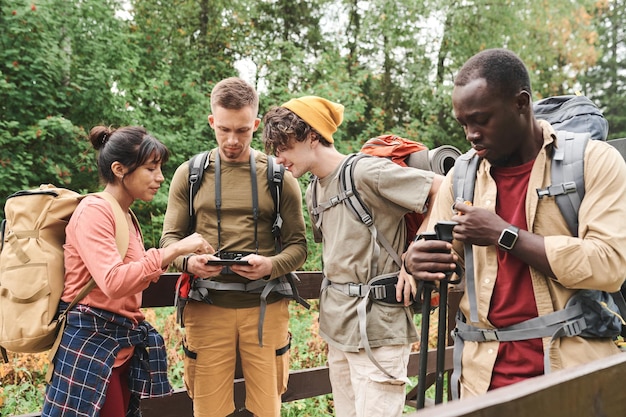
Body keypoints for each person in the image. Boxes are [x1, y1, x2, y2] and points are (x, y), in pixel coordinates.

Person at [403, 48, 626, 398]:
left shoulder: (593, 162)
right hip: (480, 383)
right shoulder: (461, 176)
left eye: (482, 119)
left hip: (572, 380)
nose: (470, 135)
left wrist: (503, 234)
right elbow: (439, 250)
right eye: (464, 123)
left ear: (521, 103)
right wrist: (415, 260)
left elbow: (609, 264)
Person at [261, 96, 442, 417]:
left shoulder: (365, 172)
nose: (279, 159)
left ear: (312, 136)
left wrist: (416, 254)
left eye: (284, 148)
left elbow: (442, 188)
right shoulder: (315, 188)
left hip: (380, 331)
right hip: (339, 331)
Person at [160, 77, 307, 417]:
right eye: (224, 129)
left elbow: (299, 246)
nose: (232, 140)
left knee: (268, 409)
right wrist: (189, 263)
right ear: (212, 121)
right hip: (206, 308)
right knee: (208, 410)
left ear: (255, 124)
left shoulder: (279, 176)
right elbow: (168, 241)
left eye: (242, 131)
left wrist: (270, 266)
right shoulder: (191, 174)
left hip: (266, 308)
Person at [43, 125, 212, 417]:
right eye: (150, 168)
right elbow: (112, 281)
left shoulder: (125, 214)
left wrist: (178, 259)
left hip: (117, 348)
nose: (160, 178)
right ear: (119, 169)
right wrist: (173, 250)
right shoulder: (95, 211)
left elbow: (134, 273)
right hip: (90, 346)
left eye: (159, 168)